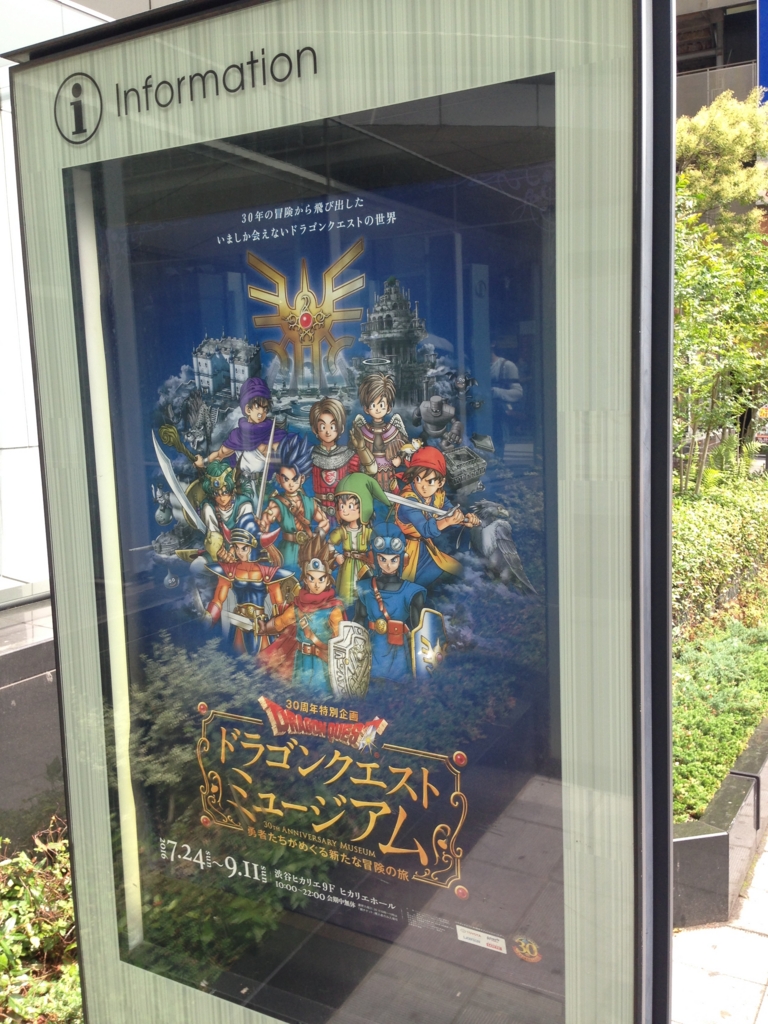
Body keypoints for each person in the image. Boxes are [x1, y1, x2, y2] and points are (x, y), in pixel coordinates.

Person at [257, 535, 346, 693]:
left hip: (321, 666)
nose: (316, 584)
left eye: (321, 579)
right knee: (299, 694)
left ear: (328, 580)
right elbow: (280, 622)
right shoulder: (298, 607)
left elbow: (341, 644)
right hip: (300, 662)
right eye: (312, 578)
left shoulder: (334, 610)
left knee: (320, 697)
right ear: (305, 579)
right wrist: (264, 628)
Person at [203, 518, 295, 655]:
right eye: (237, 547)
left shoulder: (268, 573)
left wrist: (282, 623)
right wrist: (208, 618)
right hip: (239, 625)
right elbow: (218, 600)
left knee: (263, 660)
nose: (239, 552)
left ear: (254, 548)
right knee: (238, 658)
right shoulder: (230, 571)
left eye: (244, 548)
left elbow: (278, 605)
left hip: (262, 626)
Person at [394, 446, 480, 588]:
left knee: (457, 571)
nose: (423, 486)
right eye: (418, 479)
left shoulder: (438, 495)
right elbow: (425, 529)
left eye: (430, 481)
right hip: (404, 552)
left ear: (441, 482)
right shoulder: (408, 501)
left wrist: (464, 520)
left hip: (427, 550)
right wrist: (447, 520)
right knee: (405, 589)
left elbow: (449, 513)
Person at [354, 523, 426, 680]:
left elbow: (419, 632)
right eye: (383, 559)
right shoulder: (365, 587)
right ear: (374, 558)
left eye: (394, 559)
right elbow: (358, 621)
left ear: (402, 559)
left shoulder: (412, 592)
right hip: (372, 647)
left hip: (398, 650)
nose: (388, 564)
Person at [194, 377, 286, 495]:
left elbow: (284, 458)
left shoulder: (273, 435)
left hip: (263, 487)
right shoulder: (237, 436)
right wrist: (203, 462)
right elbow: (220, 454)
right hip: (240, 486)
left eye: (265, 409)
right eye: (257, 407)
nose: (261, 413)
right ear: (248, 409)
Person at [259, 433, 330, 570]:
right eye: (286, 479)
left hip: (309, 552)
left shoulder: (310, 502)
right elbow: (266, 522)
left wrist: (316, 538)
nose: (291, 484)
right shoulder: (277, 503)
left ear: (302, 479)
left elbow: (324, 522)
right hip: (287, 552)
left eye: (295, 479)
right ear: (279, 479)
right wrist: (263, 528)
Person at [329, 473, 389, 607]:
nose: (344, 511)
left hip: (364, 567)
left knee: (366, 596)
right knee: (346, 598)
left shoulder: (368, 532)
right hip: (347, 567)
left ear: (363, 506)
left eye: (350, 506)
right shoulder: (342, 531)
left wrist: (374, 559)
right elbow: (329, 545)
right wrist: (336, 555)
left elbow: (376, 547)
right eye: (341, 506)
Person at [309, 396, 368, 525]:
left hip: (344, 514)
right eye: (322, 426)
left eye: (332, 426)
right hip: (318, 515)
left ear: (340, 428)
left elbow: (364, 476)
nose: (328, 432)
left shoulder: (348, 455)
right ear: (315, 429)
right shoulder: (310, 456)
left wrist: (361, 448)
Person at [351, 372, 409, 493]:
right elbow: (353, 452)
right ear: (367, 409)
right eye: (373, 405)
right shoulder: (362, 430)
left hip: (389, 472)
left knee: (392, 499)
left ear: (388, 408)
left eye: (381, 404)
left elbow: (406, 447)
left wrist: (400, 458)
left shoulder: (393, 430)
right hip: (368, 473)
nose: (377, 409)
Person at [490, 343, 523, 452]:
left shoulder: (506, 366)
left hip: (498, 415)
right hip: (478, 415)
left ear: (492, 344)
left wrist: (495, 392)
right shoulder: (472, 365)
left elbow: (518, 392)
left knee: (497, 444)